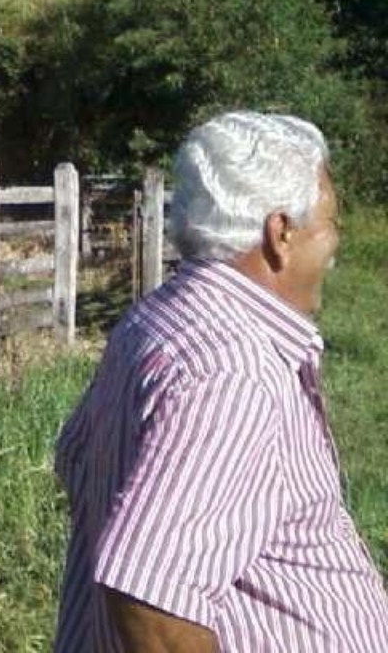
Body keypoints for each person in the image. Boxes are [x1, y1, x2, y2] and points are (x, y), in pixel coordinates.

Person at [53, 111, 388, 652]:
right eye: (329, 224)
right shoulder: (234, 370)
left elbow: (81, 466)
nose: (335, 245)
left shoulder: (159, 319)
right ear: (280, 234)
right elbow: (152, 603)